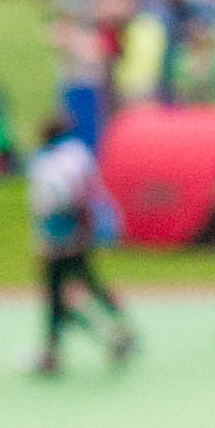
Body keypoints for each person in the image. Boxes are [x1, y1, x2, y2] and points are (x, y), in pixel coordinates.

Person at [24, 111, 136, 375]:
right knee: (87, 287)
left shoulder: (53, 161)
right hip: (76, 235)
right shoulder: (78, 155)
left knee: (58, 296)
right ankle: (121, 331)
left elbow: (55, 201)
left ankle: (55, 353)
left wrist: (47, 237)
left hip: (61, 238)